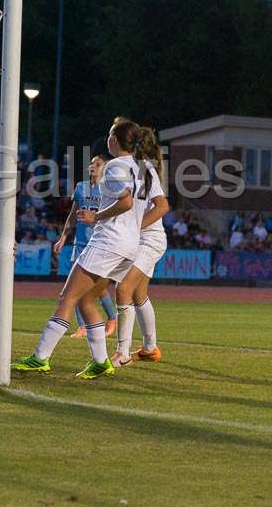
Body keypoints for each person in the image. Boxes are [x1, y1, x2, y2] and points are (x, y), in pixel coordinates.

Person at [12, 118, 147, 380]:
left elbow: (126, 202)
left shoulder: (116, 166)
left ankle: (40, 357)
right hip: (128, 245)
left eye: (110, 135)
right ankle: (100, 361)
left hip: (109, 242)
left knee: (67, 297)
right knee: (86, 299)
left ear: (115, 140)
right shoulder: (135, 167)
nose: (107, 139)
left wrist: (96, 217)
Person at [110, 125, 169, 367]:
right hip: (140, 239)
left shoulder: (143, 170)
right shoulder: (137, 169)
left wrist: (137, 226)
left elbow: (163, 206)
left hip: (149, 239)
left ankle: (122, 352)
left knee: (122, 289)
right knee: (138, 294)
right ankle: (150, 348)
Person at [52, 154, 118, 339]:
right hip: (80, 243)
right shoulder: (81, 187)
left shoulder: (109, 189)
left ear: (105, 168)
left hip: (98, 243)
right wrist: (63, 238)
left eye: (98, 164)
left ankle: (112, 317)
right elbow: (73, 215)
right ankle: (82, 327)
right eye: (91, 163)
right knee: (75, 286)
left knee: (99, 288)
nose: (93, 166)